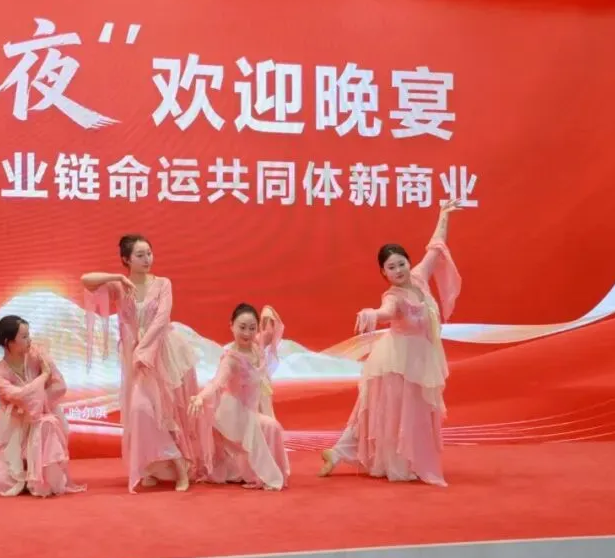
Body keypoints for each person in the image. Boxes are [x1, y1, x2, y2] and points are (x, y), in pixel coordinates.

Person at [319, 200, 463, 486]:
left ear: (408, 263)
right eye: (391, 267)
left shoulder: (419, 278)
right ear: (383, 273)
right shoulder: (393, 297)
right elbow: (385, 313)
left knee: (406, 414)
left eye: (401, 263)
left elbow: (435, 247)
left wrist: (443, 215)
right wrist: (372, 314)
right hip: (397, 364)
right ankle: (385, 460)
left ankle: (337, 453)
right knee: (391, 415)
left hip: (419, 361)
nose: (398, 270)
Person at [82, 234, 211, 493]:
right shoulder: (120, 286)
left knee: (166, 412)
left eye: (149, 253)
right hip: (135, 357)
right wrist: (117, 277)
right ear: (126, 259)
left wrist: (144, 350)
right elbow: (86, 280)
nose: (147, 259)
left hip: (161, 354)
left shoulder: (163, 284)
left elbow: (162, 319)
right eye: (140, 255)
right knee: (141, 411)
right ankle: (154, 466)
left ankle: (179, 468)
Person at [0, 315, 86, 497]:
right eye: (24, 337)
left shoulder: (38, 356)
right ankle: (27, 472)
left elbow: (60, 386)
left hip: (43, 415)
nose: (30, 340)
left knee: (46, 423)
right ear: (9, 342)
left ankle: (41, 479)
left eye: (29, 335)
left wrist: (38, 404)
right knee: (0, 482)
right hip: (15, 425)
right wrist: (43, 377)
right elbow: (19, 397)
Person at [189, 303, 289, 490]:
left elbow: (274, 329)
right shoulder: (231, 359)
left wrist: (267, 313)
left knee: (272, 426)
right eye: (242, 327)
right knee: (271, 426)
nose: (247, 333)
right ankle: (261, 475)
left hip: (248, 412)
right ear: (231, 326)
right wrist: (201, 397)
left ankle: (262, 473)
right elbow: (216, 383)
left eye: (252, 328)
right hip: (233, 413)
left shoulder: (256, 348)